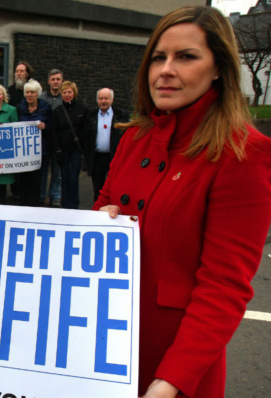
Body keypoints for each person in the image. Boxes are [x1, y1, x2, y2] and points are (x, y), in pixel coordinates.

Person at [95, 6, 271, 398]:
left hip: (175, 366)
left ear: (220, 68)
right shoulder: (135, 138)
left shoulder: (244, 154)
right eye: (159, 57)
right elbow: (102, 205)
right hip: (103, 345)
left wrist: (171, 380)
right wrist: (102, 218)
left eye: (186, 57)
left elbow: (224, 287)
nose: (165, 70)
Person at [84, 88, 129, 201]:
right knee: (98, 190)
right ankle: (98, 213)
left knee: (114, 188)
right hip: (97, 159)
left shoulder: (121, 115)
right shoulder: (91, 116)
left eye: (106, 98)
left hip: (114, 157)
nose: (103, 101)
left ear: (112, 99)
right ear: (97, 100)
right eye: (101, 98)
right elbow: (87, 139)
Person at [50, 80, 87, 209]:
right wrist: (58, 150)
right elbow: (54, 132)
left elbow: (85, 130)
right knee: (64, 178)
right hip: (63, 150)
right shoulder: (58, 111)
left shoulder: (82, 109)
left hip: (76, 150)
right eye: (64, 92)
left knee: (74, 179)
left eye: (69, 92)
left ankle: (74, 204)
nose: (67, 94)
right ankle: (64, 204)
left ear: (74, 93)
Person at [16, 79, 52, 207]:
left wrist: (45, 126)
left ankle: (34, 206)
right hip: (23, 151)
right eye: (27, 92)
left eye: (32, 92)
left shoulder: (46, 107)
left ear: (38, 93)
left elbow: (52, 126)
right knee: (23, 180)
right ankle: (23, 205)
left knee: (37, 180)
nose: (29, 95)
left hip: (40, 150)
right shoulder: (20, 108)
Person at [39, 68, 64, 207]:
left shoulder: (65, 98)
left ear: (62, 81)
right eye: (53, 79)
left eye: (58, 79)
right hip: (44, 140)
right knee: (43, 171)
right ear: (49, 81)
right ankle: (41, 196)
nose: (55, 82)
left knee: (57, 172)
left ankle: (55, 197)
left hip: (59, 141)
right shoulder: (41, 98)